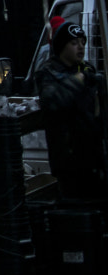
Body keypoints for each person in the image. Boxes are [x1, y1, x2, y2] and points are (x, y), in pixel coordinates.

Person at [36, 17, 104, 204]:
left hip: (94, 156)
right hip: (69, 161)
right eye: (74, 43)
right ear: (60, 46)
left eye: (82, 42)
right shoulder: (48, 72)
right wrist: (79, 79)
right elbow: (52, 101)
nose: (80, 47)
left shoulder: (88, 69)